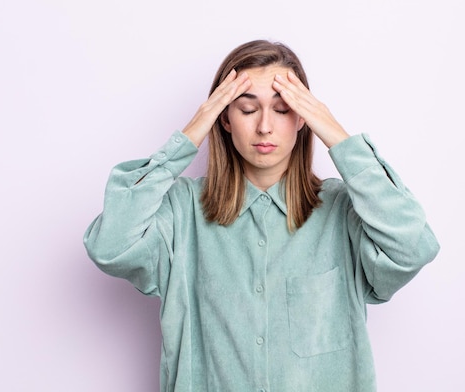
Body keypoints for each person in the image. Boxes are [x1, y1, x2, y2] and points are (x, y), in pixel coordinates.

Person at [84, 39, 440, 392]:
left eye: (283, 110)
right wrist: (191, 133)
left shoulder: (344, 211)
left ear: (303, 118)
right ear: (224, 117)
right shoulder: (182, 211)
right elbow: (110, 245)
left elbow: (413, 247)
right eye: (247, 109)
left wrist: (338, 137)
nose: (265, 127)